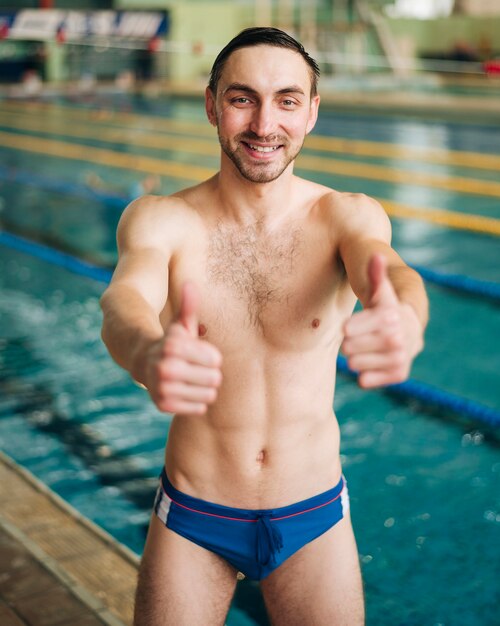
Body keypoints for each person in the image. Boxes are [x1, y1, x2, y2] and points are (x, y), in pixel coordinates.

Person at [100, 27, 428, 626]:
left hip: (315, 513)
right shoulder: (162, 220)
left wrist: (405, 316)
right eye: (242, 98)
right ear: (211, 104)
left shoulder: (344, 216)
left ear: (312, 113)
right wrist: (147, 353)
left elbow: (393, 275)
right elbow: (124, 301)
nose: (263, 125)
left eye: (287, 100)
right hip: (196, 513)